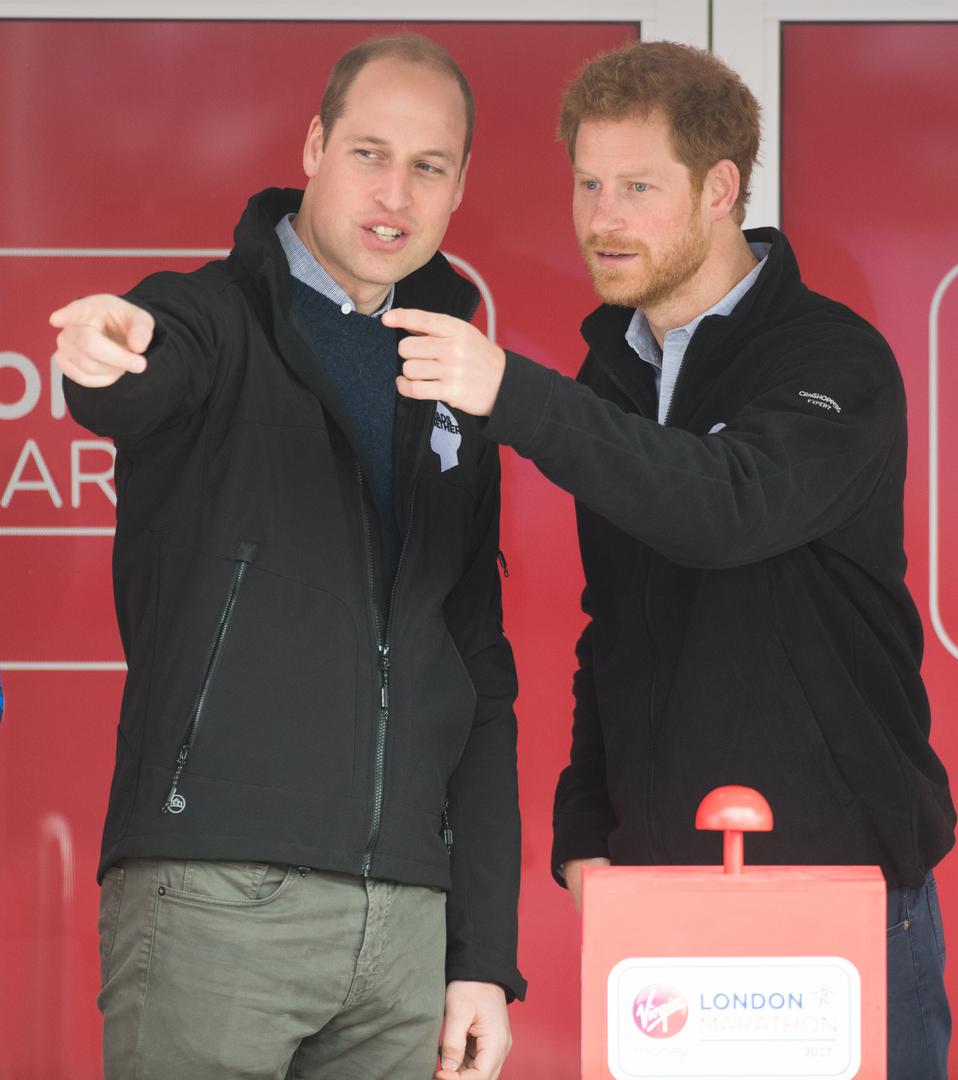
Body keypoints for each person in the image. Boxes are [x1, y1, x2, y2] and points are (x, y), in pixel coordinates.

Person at [383, 39, 955, 1078]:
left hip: (844, 891)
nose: (602, 217)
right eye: (588, 184)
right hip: (666, 898)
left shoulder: (833, 358)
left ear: (718, 190)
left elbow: (722, 506)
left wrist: (511, 389)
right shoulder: (614, 374)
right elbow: (619, 624)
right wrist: (586, 821)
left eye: (638, 187)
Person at [51, 33, 523, 1080]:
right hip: (214, 894)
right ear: (314, 146)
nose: (395, 193)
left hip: (408, 924)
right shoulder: (210, 316)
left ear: (459, 187)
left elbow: (479, 676)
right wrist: (105, 355)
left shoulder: (456, 375)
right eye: (369, 153)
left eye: (428, 166)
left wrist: (483, 958)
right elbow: (135, 371)